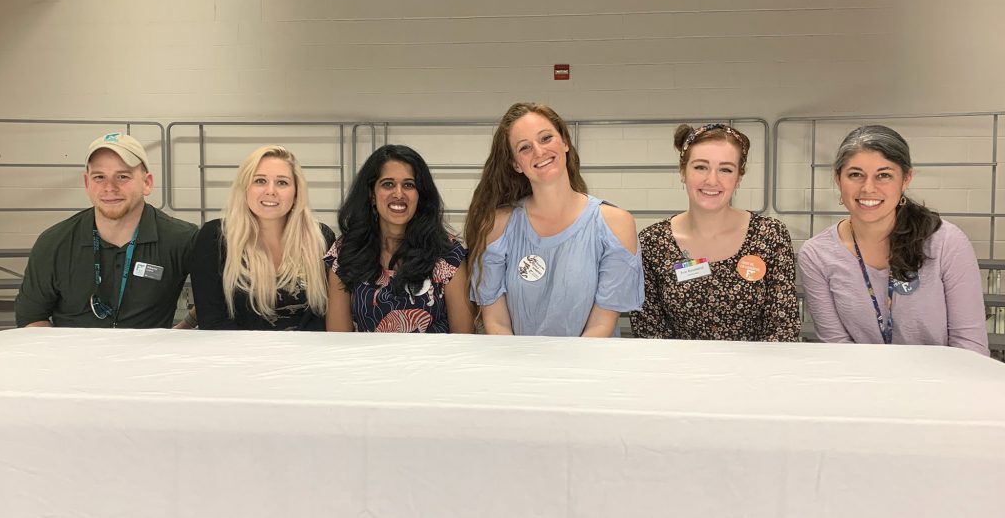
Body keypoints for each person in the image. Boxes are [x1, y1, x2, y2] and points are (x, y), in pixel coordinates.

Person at [799, 125, 989, 355]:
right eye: (855, 174)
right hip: (860, 384)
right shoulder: (817, 254)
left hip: (940, 386)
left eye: (884, 175)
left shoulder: (946, 243)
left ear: (906, 179)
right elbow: (837, 349)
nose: (868, 188)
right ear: (838, 179)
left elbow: (970, 348)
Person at [465, 102, 644, 336]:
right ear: (516, 165)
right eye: (524, 148)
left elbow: (601, 326)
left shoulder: (615, 224)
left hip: (587, 367)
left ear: (565, 142)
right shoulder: (497, 226)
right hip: (518, 366)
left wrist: (563, 374)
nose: (539, 152)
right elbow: (497, 323)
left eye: (546, 138)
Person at [631, 124, 798, 341]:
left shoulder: (769, 235)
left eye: (726, 169)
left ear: (738, 177)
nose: (712, 180)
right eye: (700, 167)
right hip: (678, 371)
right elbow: (648, 329)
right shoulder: (653, 242)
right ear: (683, 172)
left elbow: (782, 327)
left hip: (755, 370)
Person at [15, 133, 197, 328]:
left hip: (147, 357)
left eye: (123, 176)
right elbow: (32, 318)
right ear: (87, 183)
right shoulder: (54, 242)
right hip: (74, 356)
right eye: (99, 177)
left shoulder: (182, 238)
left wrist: (182, 329)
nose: (110, 187)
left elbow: (222, 296)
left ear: (147, 183)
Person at [325, 145, 473, 333]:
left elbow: (464, 339)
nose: (398, 194)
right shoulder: (344, 252)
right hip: (365, 361)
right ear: (371, 194)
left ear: (421, 195)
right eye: (388, 184)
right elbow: (338, 339)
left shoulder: (449, 255)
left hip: (433, 362)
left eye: (409, 185)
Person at [190, 145, 334, 330]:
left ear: (296, 192)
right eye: (259, 181)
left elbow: (325, 315)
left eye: (282, 182)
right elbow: (212, 320)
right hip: (237, 354)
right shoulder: (215, 237)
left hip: (306, 354)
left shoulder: (321, 238)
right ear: (245, 188)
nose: (270, 191)